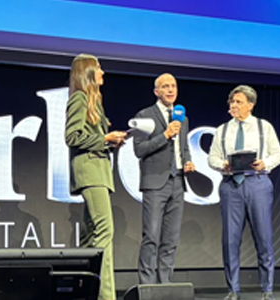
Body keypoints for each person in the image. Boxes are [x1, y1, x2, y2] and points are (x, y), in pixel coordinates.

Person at [207, 85, 280, 300]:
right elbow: (211, 158)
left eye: (238, 102)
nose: (234, 105)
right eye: (232, 102)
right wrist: (222, 165)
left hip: (257, 183)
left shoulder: (263, 127)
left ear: (250, 105)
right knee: (230, 240)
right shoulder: (222, 130)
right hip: (231, 185)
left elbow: (278, 154)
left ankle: (267, 290)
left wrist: (264, 163)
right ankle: (233, 290)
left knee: (263, 237)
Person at [65, 54, 127, 300]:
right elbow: (72, 136)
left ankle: (85, 291)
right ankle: (106, 296)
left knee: (92, 237)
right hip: (90, 172)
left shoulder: (94, 102)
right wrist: (104, 138)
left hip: (98, 170)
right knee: (104, 232)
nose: (103, 72)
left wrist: (111, 142)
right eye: (99, 68)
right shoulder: (79, 98)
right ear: (88, 71)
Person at [132, 73, 195, 284]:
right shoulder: (144, 115)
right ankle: (147, 287)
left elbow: (183, 147)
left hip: (178, 182)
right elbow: (139, 150)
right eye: (165, 86)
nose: (170, 90)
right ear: (156, 92)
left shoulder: (182, 118)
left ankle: (165, 285)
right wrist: (165, 135)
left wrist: (187, 161)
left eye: (173, 86)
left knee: (171, 239)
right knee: (151, 237)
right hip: (155, 183)